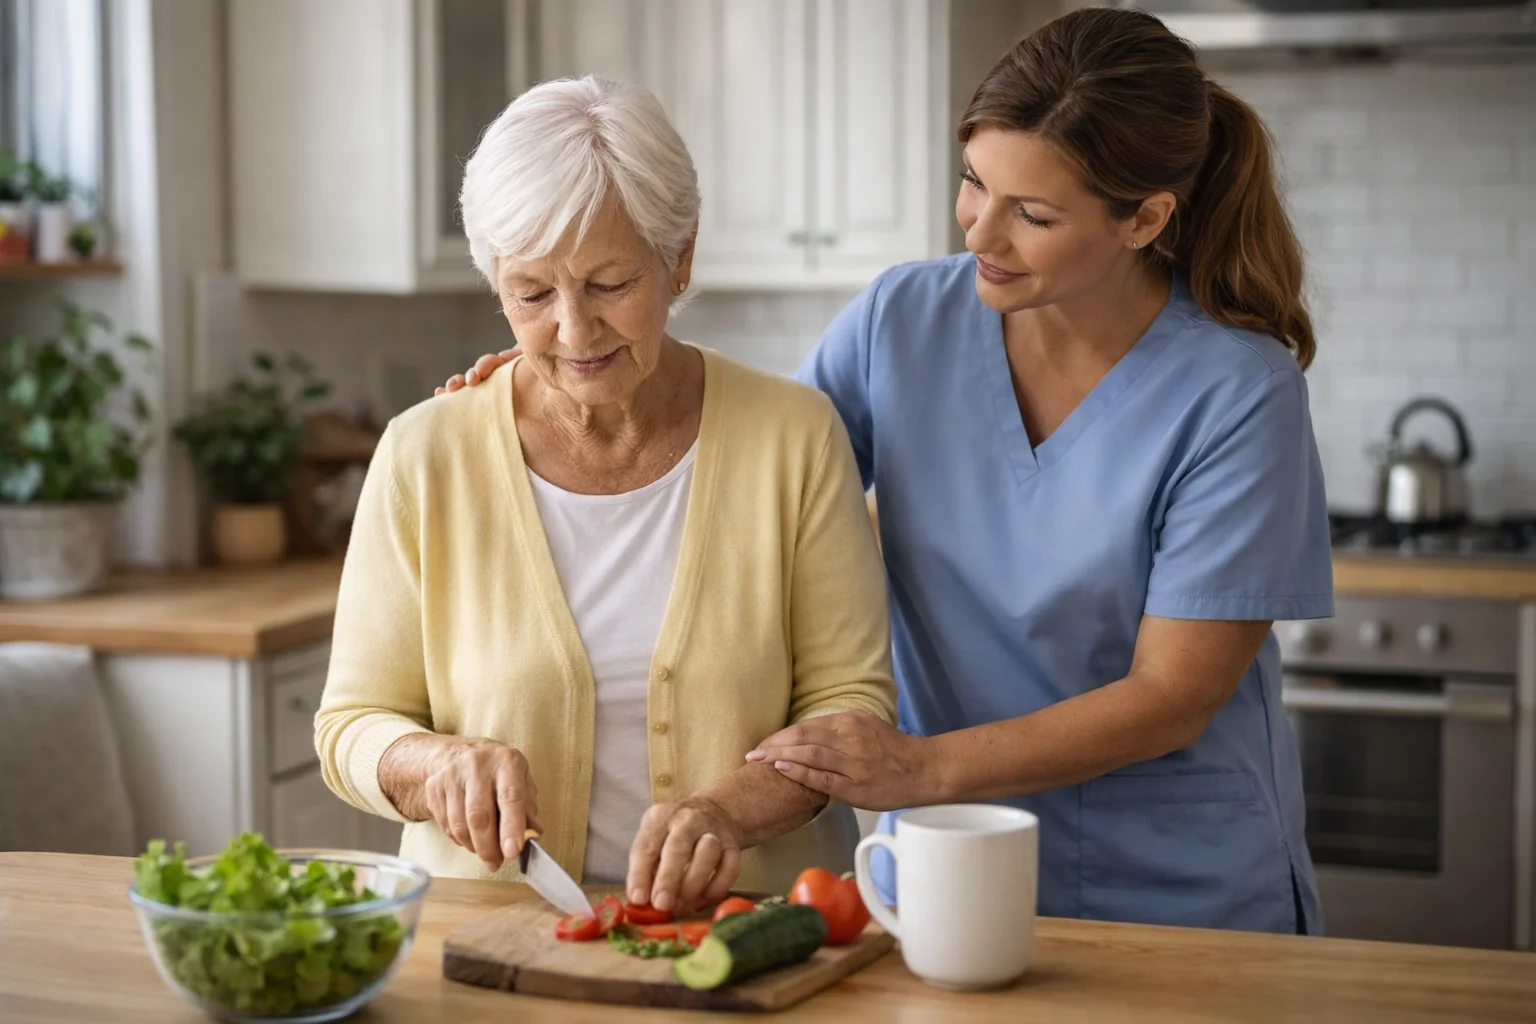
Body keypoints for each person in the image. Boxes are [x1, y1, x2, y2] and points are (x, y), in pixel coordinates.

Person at [436, 7, 1333, 935]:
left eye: (1032, 214)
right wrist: (577, 373)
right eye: (973, 183)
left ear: (1144, 219)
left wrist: (918, 768)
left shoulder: (1238, 391)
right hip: (941, 877)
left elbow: (1170, 699)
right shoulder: (905, 319)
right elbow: (749, 476)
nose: (983, 233)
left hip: (1174, 891)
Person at [317, 76, 896, 915]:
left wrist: (724, 814)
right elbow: (350, 726)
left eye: (610, 284)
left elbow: (851, 705)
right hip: (483, 946)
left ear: (680, 258)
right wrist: (433, 765)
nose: (574, 331)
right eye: (532, 294)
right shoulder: (423, 454)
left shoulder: (796, 438)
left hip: (735, 944)